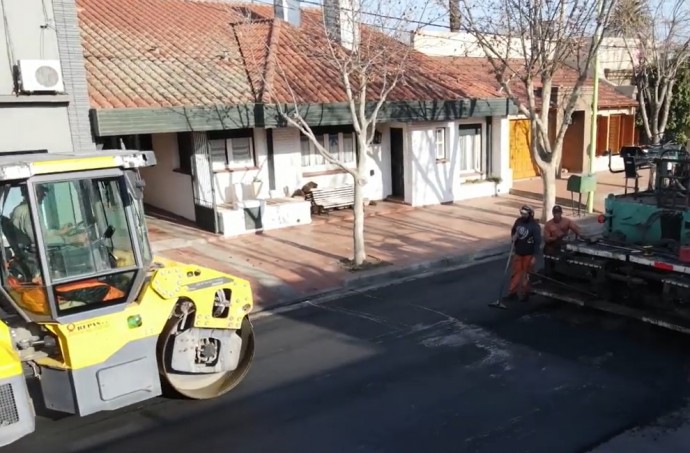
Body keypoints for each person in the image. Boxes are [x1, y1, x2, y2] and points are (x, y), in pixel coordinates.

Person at [505, 205, 541, 302]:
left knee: (526, 274)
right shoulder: (518, 221)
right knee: (516, 272)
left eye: (525, 214)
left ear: (530, 214)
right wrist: (513, 237)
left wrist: (534, 256)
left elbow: (537, 242)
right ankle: (513, 292)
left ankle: (526, 292)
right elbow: (513, 230)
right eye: (521, 213)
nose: (522, 215)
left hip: (528, 254)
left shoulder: (534, 226)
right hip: (518, 252)